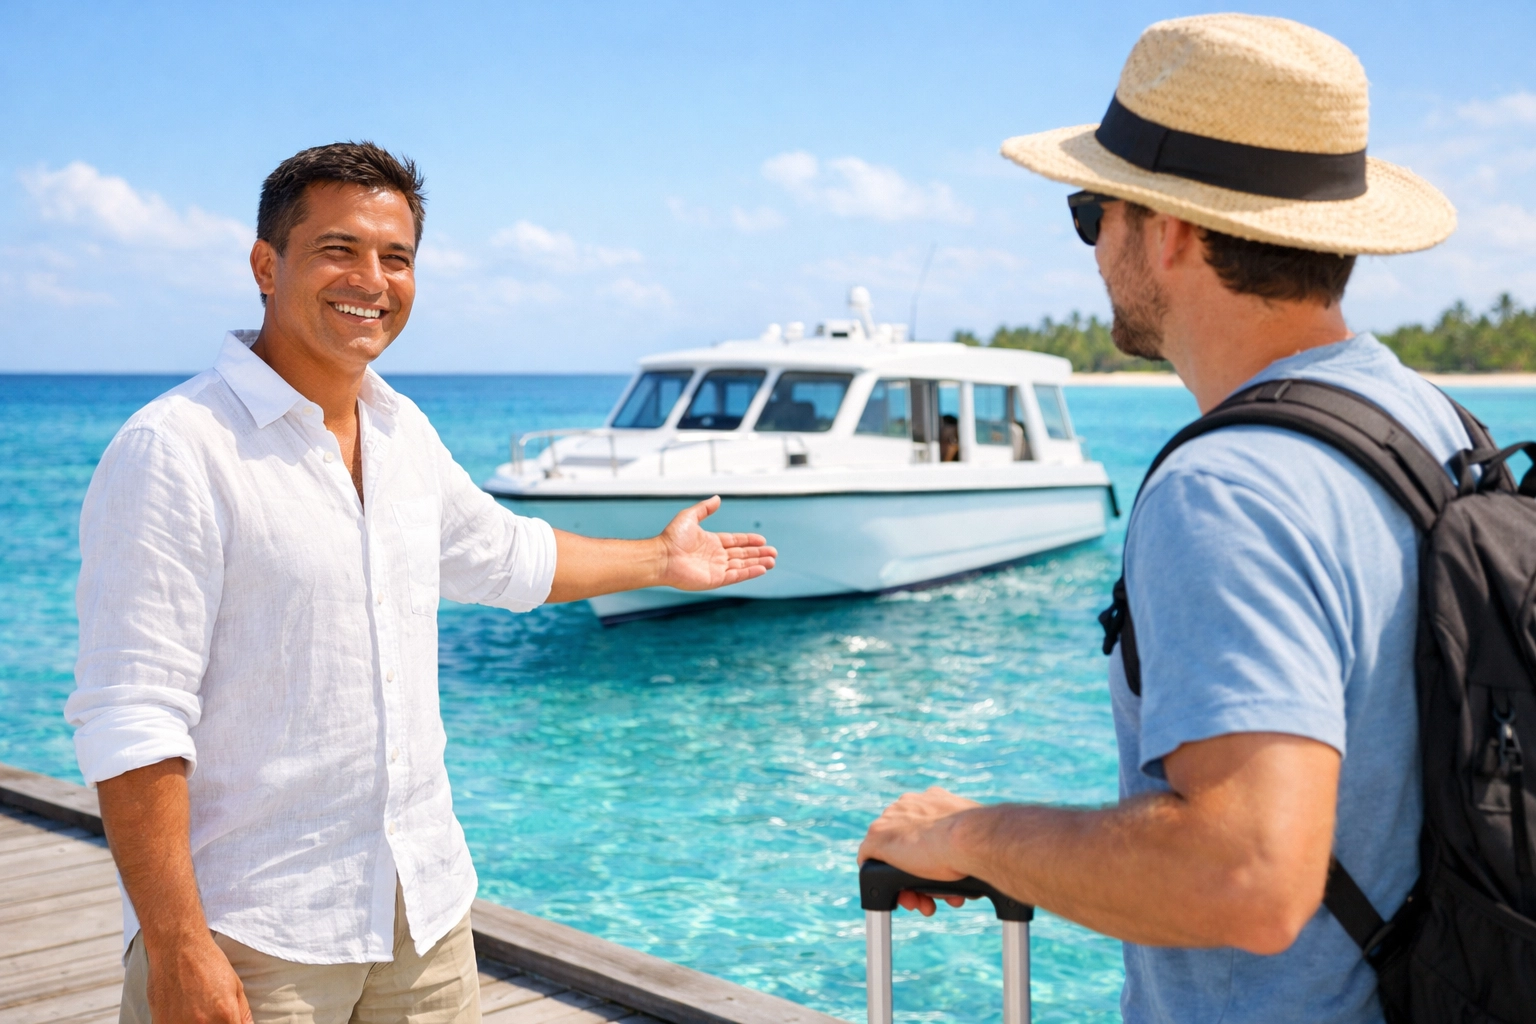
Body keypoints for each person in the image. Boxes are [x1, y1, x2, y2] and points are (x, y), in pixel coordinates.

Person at [65, 141, 776, 1024]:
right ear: (265, 264)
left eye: (395, 257)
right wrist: (176, 945)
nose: (371, 278)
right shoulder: (175, 450)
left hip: (425, 918)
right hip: (255, 936)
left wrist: (660, 562)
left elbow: (509, 557)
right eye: (338, 249)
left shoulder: (402, 433)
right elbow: (131, 715)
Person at [859, 14, 1461, 1024]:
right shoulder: (1430, 422)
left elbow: (1248, 874)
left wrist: (972, 835)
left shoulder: (1227, 487)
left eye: (1094, 212)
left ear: (1171, 229)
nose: (1094, 249)